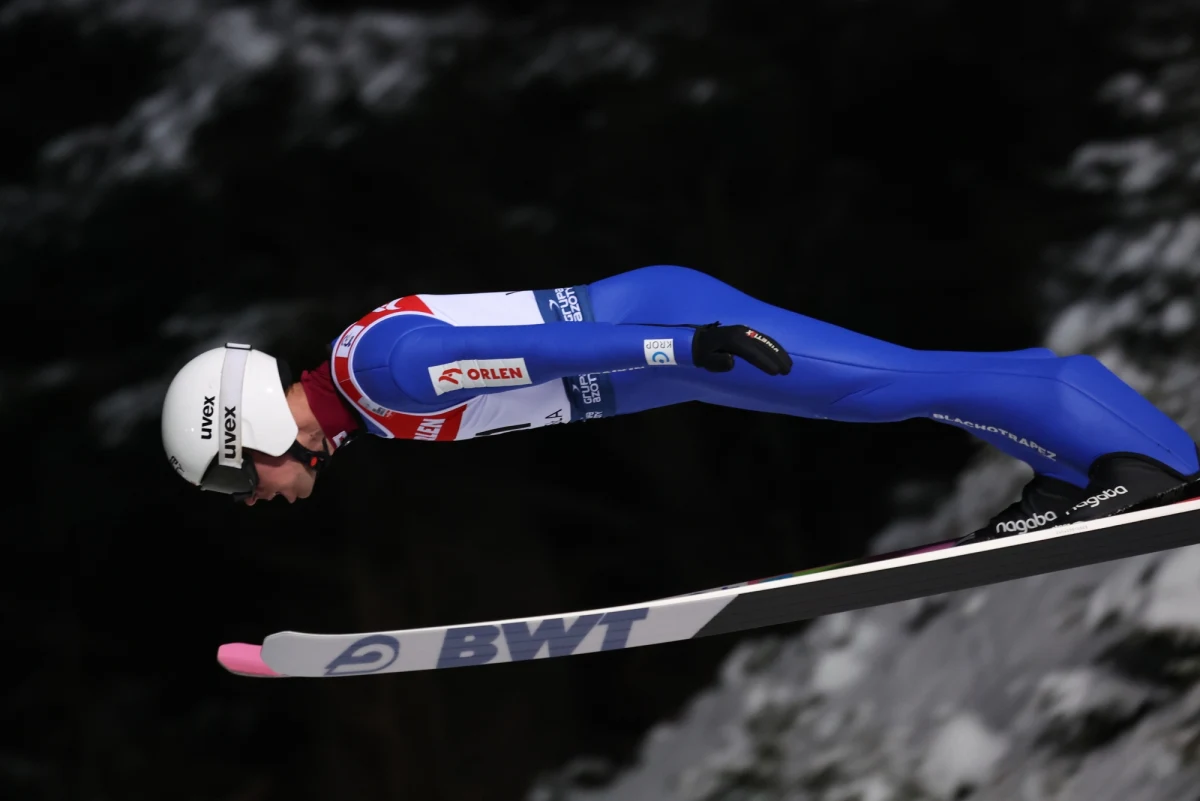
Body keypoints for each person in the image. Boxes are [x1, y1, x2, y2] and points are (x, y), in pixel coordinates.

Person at [160, 265, 1199, 540]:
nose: (260, 498)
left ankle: (1137, 461)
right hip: (673, 355)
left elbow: (539, 349)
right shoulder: (364, 392)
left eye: (240, 482)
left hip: (670, 333)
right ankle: (1078, 471)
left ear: (246, 430)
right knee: (886, 392)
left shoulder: (376, 377)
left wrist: (685, 343)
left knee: (886, 386)